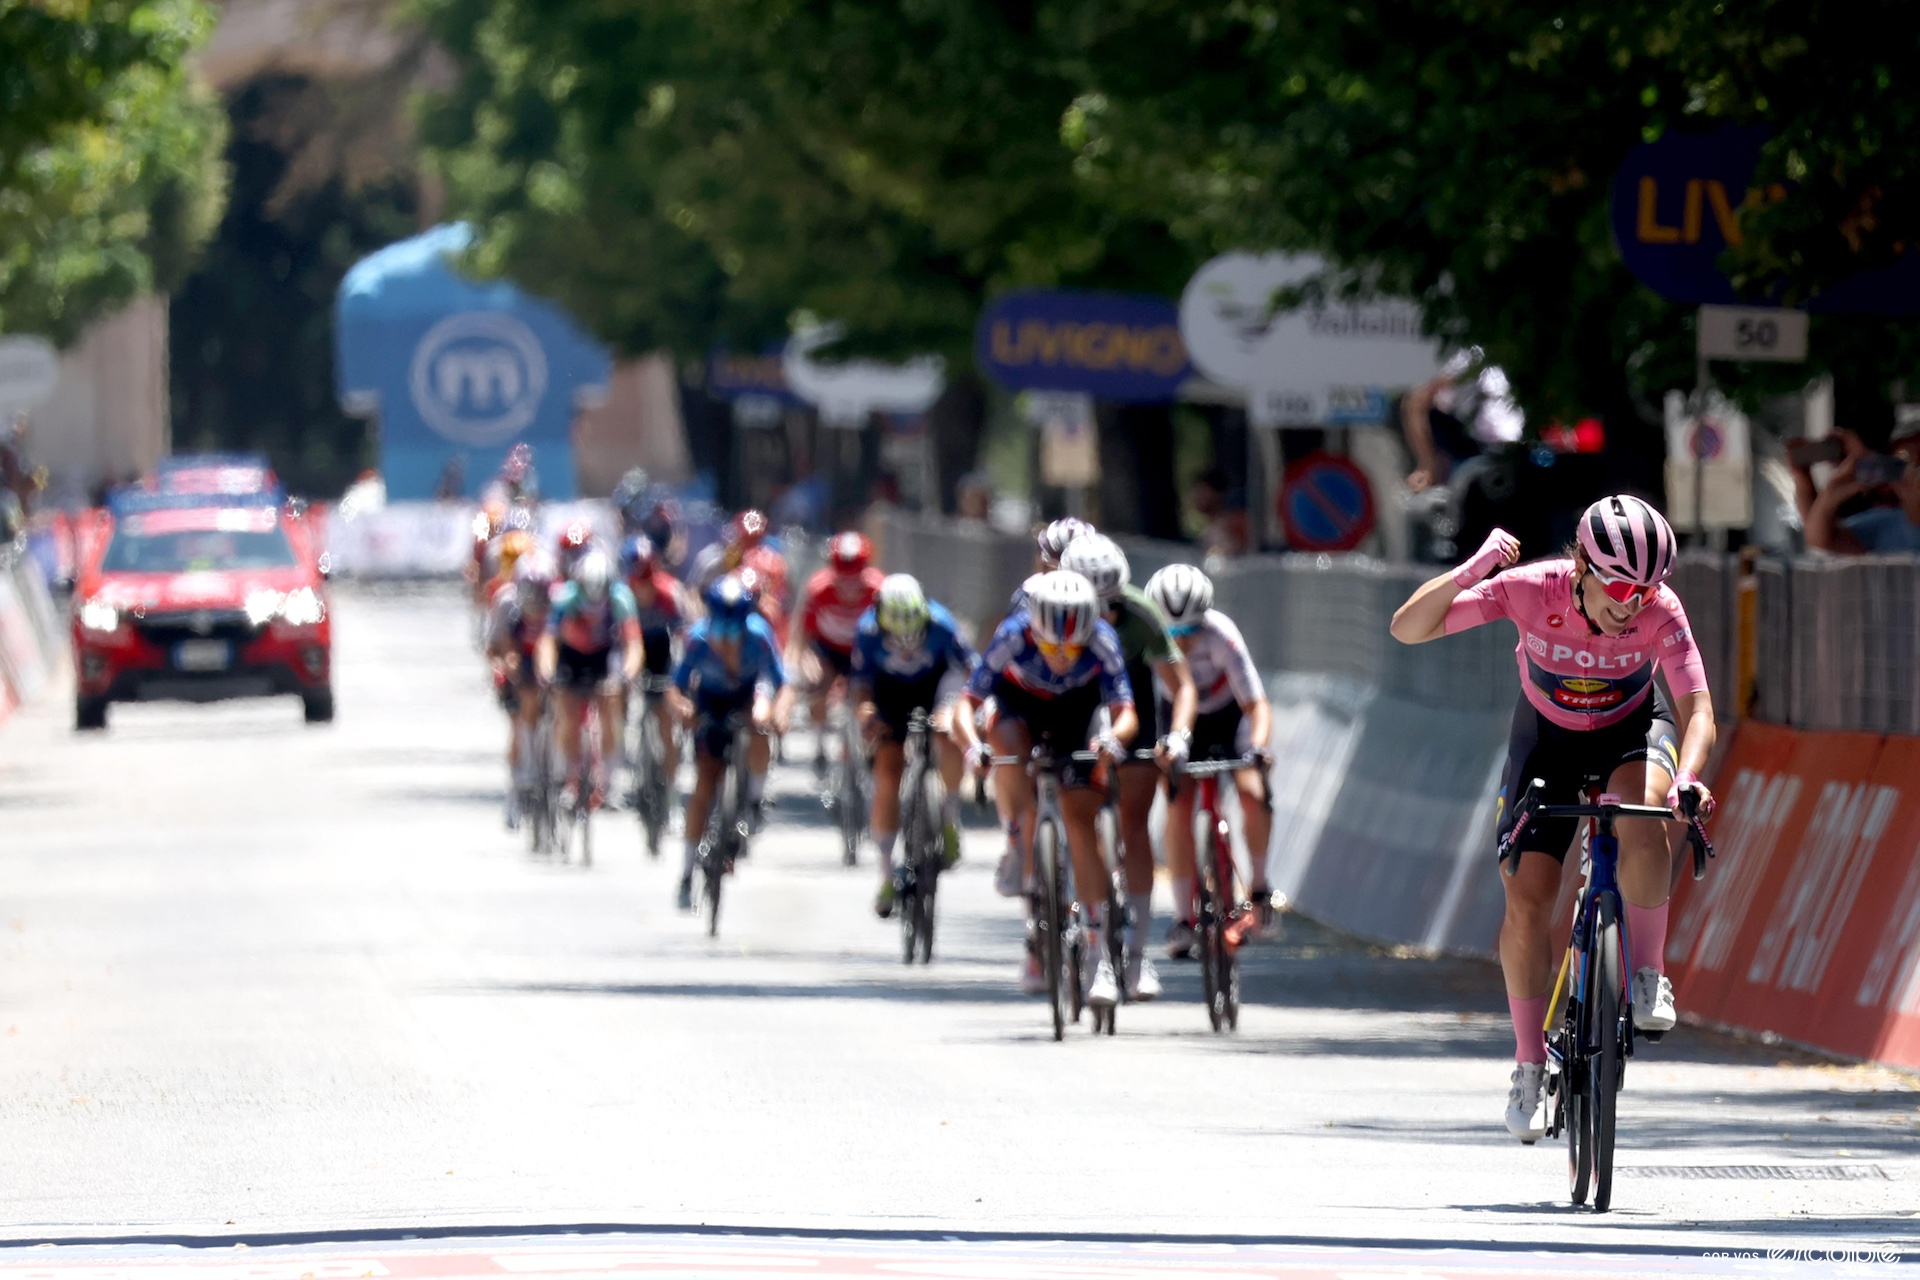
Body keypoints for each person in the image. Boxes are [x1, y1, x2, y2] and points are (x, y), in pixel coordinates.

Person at [1388, 495, 1716, 1144]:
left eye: (1648, 588)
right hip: (1546, 740)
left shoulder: (1660, 613)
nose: (1633, 602)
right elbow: (1408, 627)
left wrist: (1688, 779)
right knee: (1528, 899)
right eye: (1620, 585)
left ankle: (1647, 975)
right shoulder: (1530, 590)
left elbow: (1698, 710)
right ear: (1582, 567)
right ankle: (1528, 1065)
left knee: (1643, 818)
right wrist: (1471, 571)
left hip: (1631, 734)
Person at [951, 570, 1137, 1006]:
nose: (1060, 655)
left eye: (1071, 646)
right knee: (1007, 747)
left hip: (1079, 714)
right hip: (1021, 706)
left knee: (1079, 822)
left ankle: (1097, 959)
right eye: (1050, 645)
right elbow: (967, 703)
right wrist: (971, 747)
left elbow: (1124, 711)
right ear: (1034, 630)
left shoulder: (1102, 640)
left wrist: (1114, 739)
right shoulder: (1013, 635)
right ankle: (1019, 838)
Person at [1057, 534, 1196, 1002]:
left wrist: (1178, 735)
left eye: (1112, 601)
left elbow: (1182, 685)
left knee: (1135, 821)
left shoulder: (1140, 614)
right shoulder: (1051, 608)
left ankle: (1137, 957)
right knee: (1082, 817)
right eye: (1096, 604)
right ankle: (1095, 953)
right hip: (1076, 698)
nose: (1106, 613)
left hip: (1130, 699)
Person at [1143, 564, 1276, 959]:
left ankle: (1259, 889)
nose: (1181, 642)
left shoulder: (1221, 635)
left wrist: (1258, 747)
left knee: (1253, 792)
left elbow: (1257, 705)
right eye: (1172, 633)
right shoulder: (1148, 641)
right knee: (1178, 805)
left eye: (1189, 631)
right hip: (1177, 721)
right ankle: (1184, 916)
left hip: (1227, 717)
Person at [851, 575, 977, 919]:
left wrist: (956, 713)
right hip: (890, 692)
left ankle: (949, 817)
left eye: (914, 637)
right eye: (897, 638)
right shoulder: (867, 631)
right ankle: (886, 873)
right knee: (887, 772)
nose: (906, 646)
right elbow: (861, 686)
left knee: (946, 733)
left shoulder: (942, 623)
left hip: (937, 685)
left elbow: (972, 672)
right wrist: (867, 716)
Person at [669, 575, 793, 910]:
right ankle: (686, 870)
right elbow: (677, 687)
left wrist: (780, 714)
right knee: (705, 783)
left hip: (746, 697)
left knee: (759, 724)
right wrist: (683, 709)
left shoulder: (759, 635)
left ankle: (753, 799)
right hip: (709, 702)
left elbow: (782, 684)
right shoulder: (697, 639)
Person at [536, 548, 643, 806]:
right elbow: (548, 641)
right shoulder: (566, 597)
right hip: (572, 654)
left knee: (610, 710)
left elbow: (634, 644)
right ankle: (569, 775)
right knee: (567, 712)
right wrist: (547, 672)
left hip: (604, 654)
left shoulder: (621, 598)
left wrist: (627, 675)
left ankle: (609, 781)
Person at [792, 532, 886, 776]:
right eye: (841, 567)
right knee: (817, 685)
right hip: (829, 649)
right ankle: (820, 743)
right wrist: (806, 662)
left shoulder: (879, 590)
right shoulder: (818, 589)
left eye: (855, 567)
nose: (848, 576)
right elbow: (804, 635)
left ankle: (860, 747)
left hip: (864, 650)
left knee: (867, 697)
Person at [621, 533, 697, 805]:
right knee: (614, 696)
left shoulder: (670, 592)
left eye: (646, 579)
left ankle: (672, 794)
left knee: (666, 722)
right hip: (630, 650)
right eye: (636, 580)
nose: (641, 587)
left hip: (663, 653)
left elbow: (687, 638)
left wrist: (680, 680)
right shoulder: (621, 594)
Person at [485, 550, 558, 827]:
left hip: (548, 656)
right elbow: (496, 647)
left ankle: (559, 768)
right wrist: (506, 666)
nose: (538, 602)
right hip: (516, 657)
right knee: (519, 717)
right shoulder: (506, 601)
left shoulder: (561, 599)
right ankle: (518, 782)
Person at [1793, 422, 1920, 554]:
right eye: (1905, 459)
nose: (1915, 470)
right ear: (1895, 484)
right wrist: (1812, 485)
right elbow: (1820, 540)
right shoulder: (1888, 526)